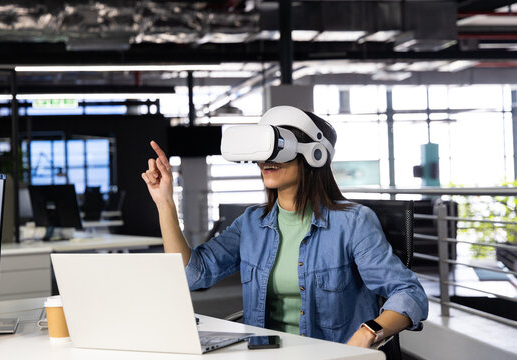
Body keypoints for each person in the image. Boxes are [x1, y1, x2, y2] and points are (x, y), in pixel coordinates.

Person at [141, 106, 428, 348]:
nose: (266, 160)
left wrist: (368, 333)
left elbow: (409, 293)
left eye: (279, 149)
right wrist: (165, 202)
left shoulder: (352, 223)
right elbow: (193, 275)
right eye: (264, 150)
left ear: (315, 155)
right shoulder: (252, 224)